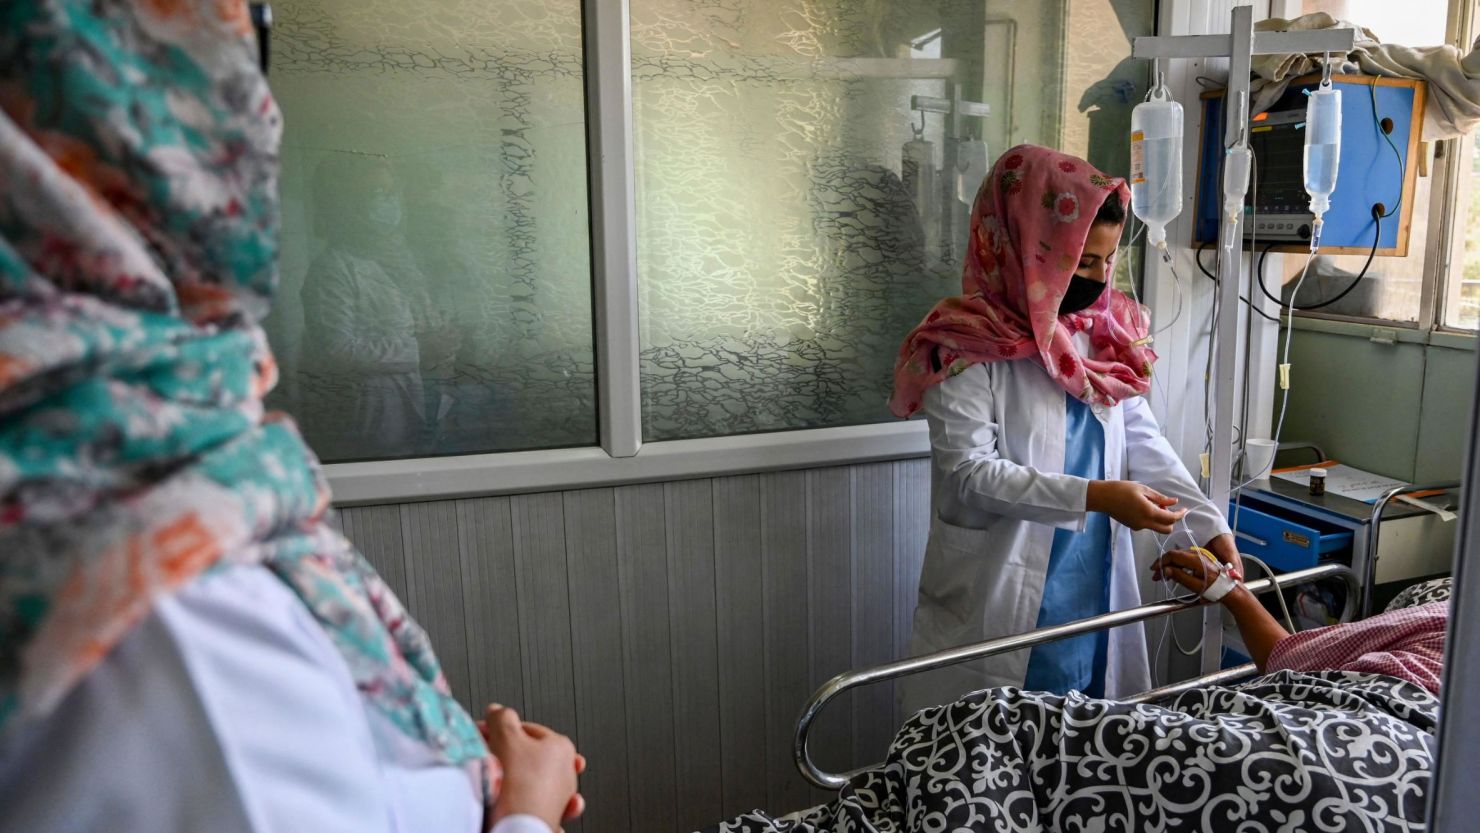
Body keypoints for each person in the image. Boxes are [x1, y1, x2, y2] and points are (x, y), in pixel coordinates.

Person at [0, 2, 578, 831]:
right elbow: (347, 348)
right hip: (381, 411)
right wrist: (528, 814)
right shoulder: (155, 597)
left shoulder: (163, 467)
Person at [891, 144, 1243, 712]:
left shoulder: (1101, 335)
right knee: (994, 762)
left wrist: (1205, 524)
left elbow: (1142, 441)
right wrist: (1098, 496)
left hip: (1091, 590)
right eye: (1083, 264)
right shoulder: (965, 346)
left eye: (1107, 263)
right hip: (999, 592)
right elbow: (968, 474)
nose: (1100, 282)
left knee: (1088, 755)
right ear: (1031, 250)